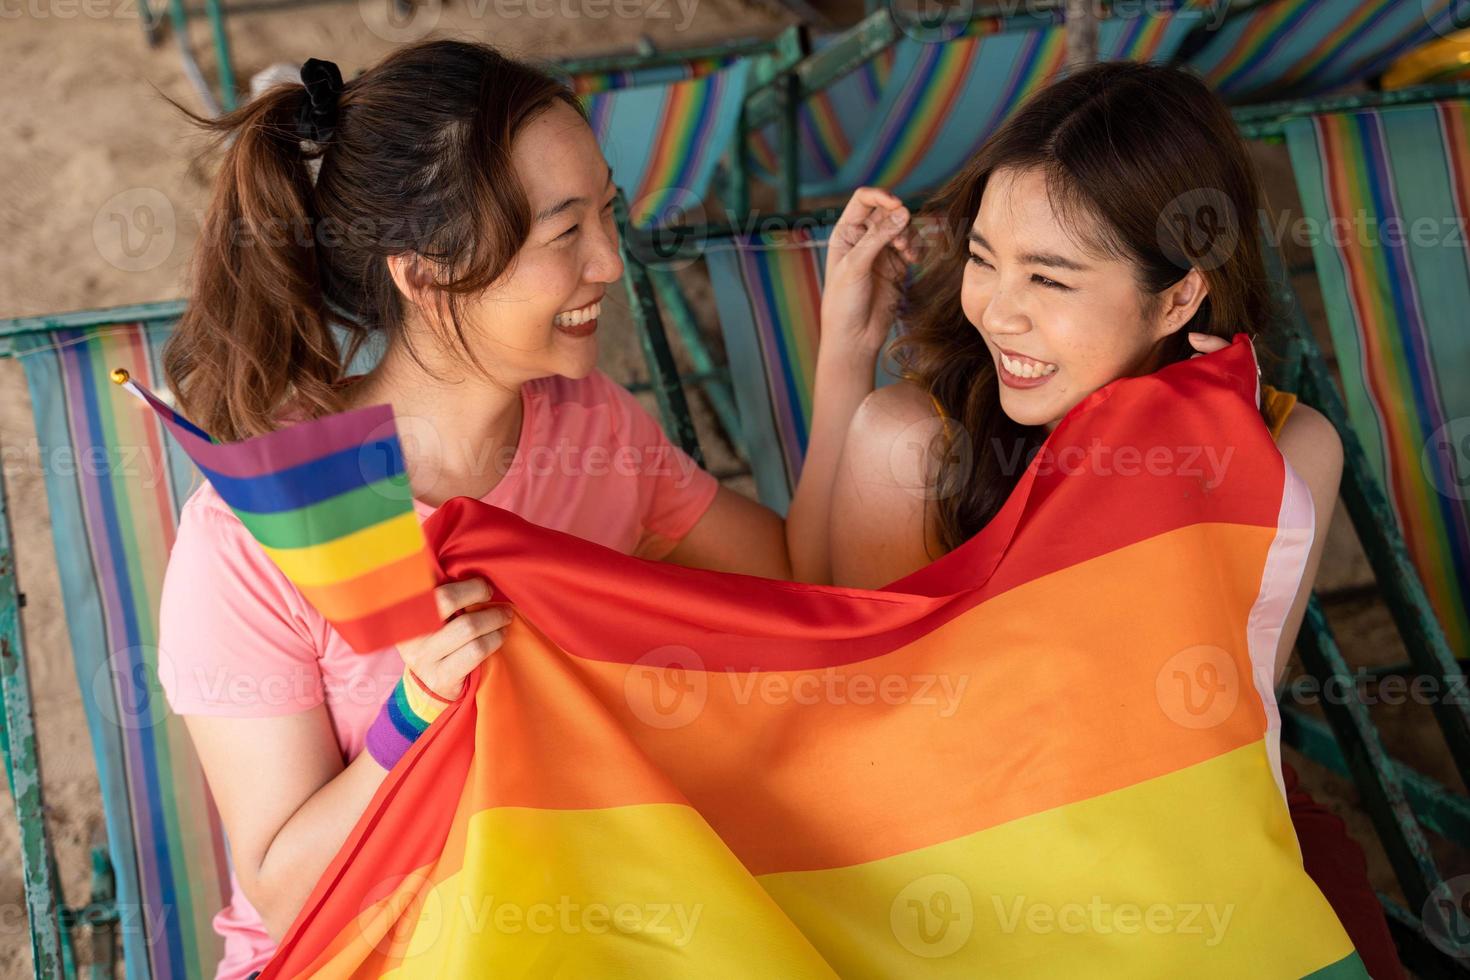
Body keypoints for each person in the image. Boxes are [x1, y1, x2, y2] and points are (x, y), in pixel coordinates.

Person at [155, 40, 908, 978]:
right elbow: (286, 893)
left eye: (608, 215)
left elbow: (802, 579)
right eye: (563, 235)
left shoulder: (590, 430)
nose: (608, 261)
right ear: (425, 275)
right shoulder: (261, 532)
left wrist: (845, 349)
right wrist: (411, 714)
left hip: (590, 923)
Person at [820, 60, 1402, 980]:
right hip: (967, 855)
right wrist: (840, 362)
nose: (997, 313)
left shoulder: (1289, 451)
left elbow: (1217, 708)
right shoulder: (916, 446)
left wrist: (1190, 477)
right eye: (981, 258)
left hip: (1198, 827)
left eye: (1049, 280)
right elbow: (858, 725)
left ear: (1178, 296)